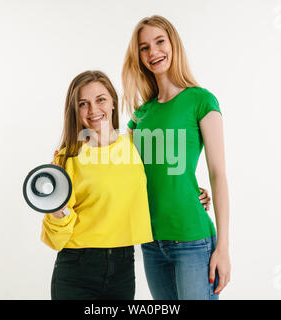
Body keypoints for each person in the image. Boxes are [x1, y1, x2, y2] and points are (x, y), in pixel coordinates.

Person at [122, 15, 231, 300]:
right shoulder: (140, 115)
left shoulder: (201, 100)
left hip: (192, 240)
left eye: (160, 41)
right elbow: (121, 170)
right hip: (151, 242)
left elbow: (218, 173)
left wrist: (224, 248)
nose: (153, 52)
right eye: (144, 47)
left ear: (174, 44)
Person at [40, 70, 154, 300]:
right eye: (83, 103)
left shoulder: (136, 146)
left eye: (100, 99)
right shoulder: (67, 158)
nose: (93, 110)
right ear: (75, 110)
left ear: (113, 102)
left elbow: (164, 181)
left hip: (123, 267)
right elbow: (55, 240)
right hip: (76, 268)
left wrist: (196, 193)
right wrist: (56, 209)